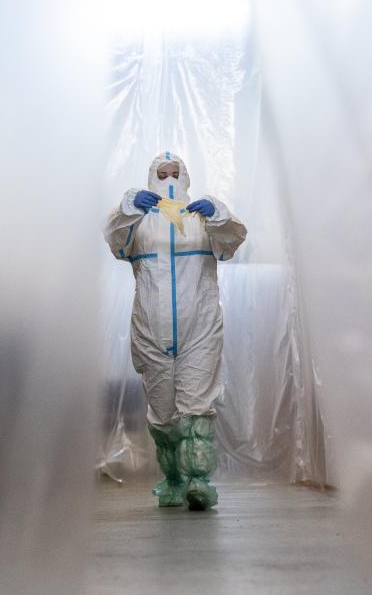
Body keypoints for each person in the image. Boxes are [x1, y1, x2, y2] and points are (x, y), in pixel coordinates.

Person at [103, 152, 247, 510]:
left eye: (175, 173)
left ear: (186, 177)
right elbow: (116, 242)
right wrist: (128, 208)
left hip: (199, 328)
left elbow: (231, 243)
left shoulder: (203, 219)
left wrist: (218, 213)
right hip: (151, 330)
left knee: (197, 409)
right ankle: (173, 479)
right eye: (162, 173)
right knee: (164, 413)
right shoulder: (138, 224)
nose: (169, 180)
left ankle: (199, 482)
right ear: (151, 177)